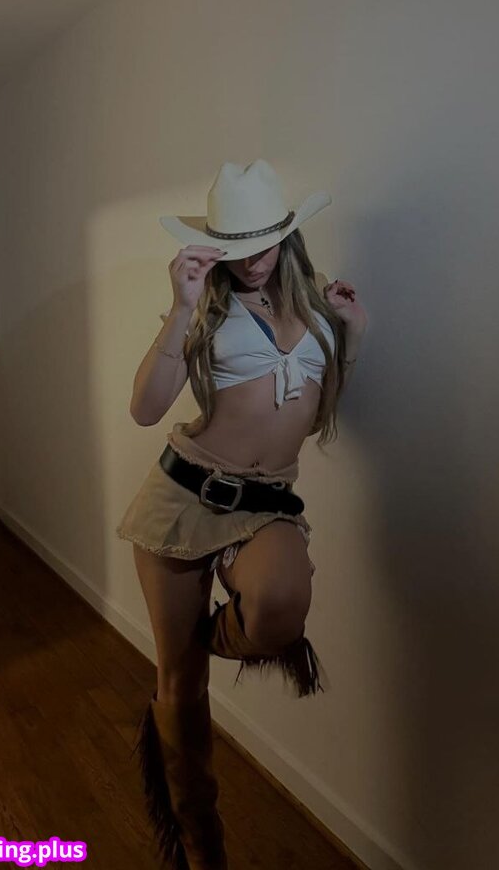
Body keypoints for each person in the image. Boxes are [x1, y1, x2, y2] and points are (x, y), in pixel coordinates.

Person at [116, 158, 368, 869]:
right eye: (236, 247)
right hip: (181, 498)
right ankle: (202, 850)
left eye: (264, 244)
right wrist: (180, 307)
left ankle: (195, 646)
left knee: (280, 607)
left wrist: (352, 332)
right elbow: (145, 409)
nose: (252, 261)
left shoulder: (318, 305)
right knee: (182, 692)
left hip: (265, 504)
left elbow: (321, 406)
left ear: (287, 236)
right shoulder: (204, 307)